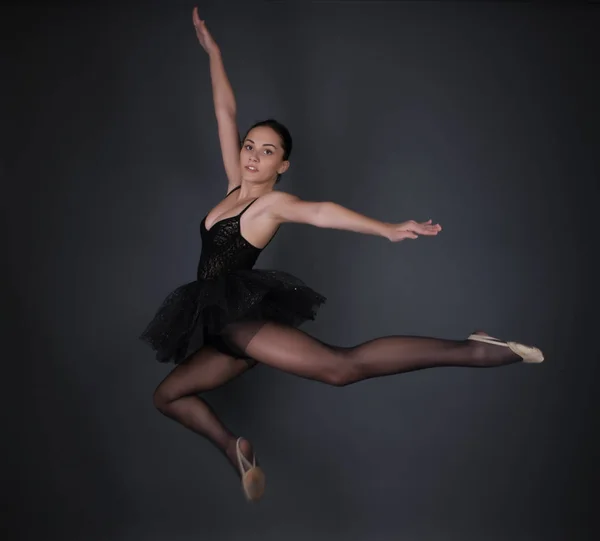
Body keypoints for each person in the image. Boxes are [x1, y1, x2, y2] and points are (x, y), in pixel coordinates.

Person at [139, 8, 544, 503]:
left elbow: (323, 212)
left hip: (239, 321)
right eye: (250, 145)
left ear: (282, 165)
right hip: (219, 329)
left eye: (267, 151)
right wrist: (214, 53)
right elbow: (224, 112)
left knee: (341, 368)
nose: (252, 154)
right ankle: (234, 448)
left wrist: (387, 228)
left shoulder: (272, 203)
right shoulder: (233, 189)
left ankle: (476, 347)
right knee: (168, 396)